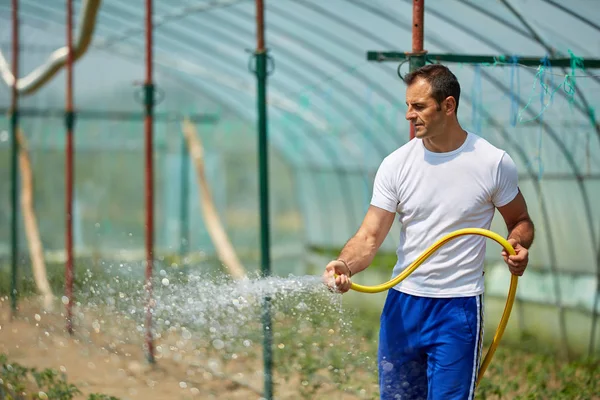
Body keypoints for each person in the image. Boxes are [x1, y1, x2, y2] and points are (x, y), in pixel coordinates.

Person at [322, 64, 534, 400]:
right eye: (407, 105)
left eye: (418, 106)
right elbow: (369, 237)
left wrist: (517, 244)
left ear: (448, 106)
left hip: (458, 307)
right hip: (404, 305)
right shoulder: (396, 165)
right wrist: (344, 264)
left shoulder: (491, 163)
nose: (409, 115)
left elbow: (520, 220)